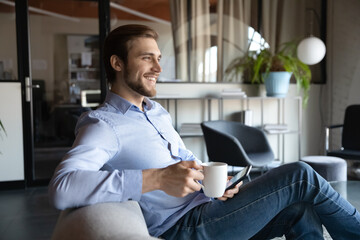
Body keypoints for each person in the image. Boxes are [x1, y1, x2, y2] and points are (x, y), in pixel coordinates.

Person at [48, 24, 360, 239]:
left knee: (300, 208)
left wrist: (214, 184)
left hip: (210, 207)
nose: (158, 68)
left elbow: (184, 161)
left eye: (158, 59)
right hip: (184, 229)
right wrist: (154, 178)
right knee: (300, 174)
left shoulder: (155, 111)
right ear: (116, 63)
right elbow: (62, 188)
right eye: (147, 59)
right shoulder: (103, 125)